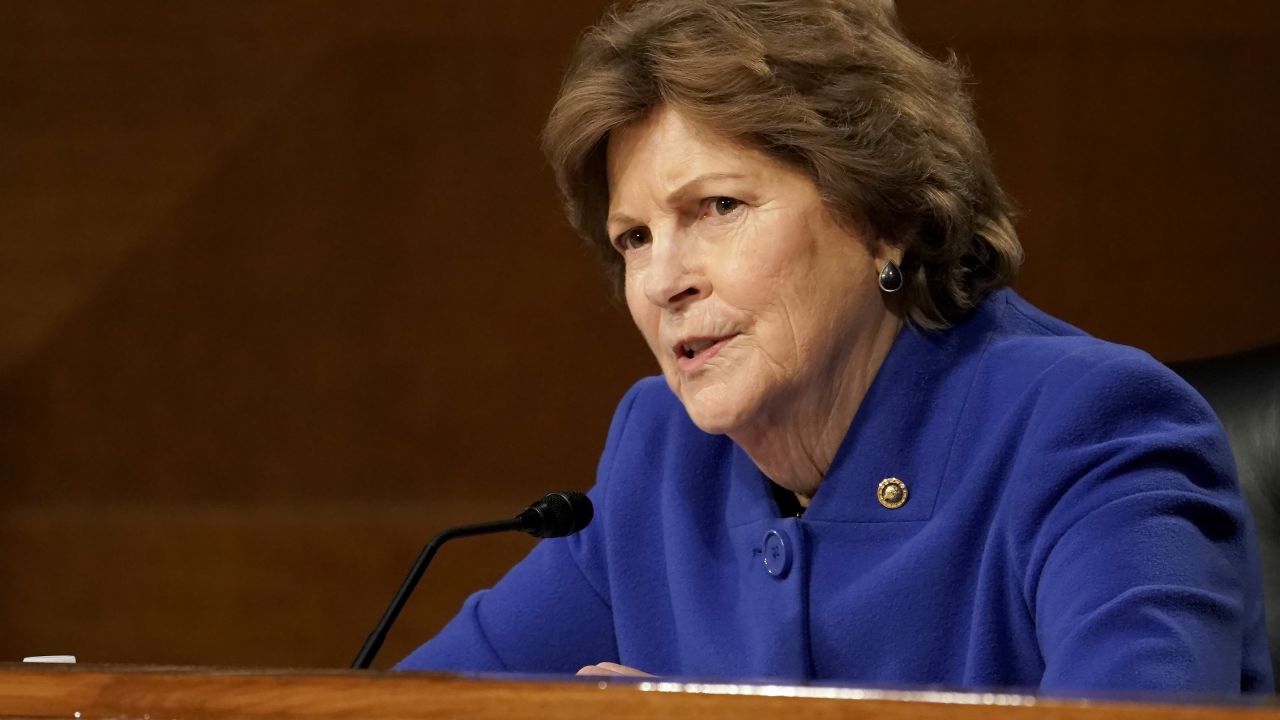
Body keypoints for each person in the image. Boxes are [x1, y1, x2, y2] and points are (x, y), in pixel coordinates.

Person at [398, 0, 1272, 694]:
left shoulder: (1093, 431)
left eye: (718, 207)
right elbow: (415, 703)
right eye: (634, 238)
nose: (664, 280)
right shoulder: (664, 457)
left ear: (884, 216)